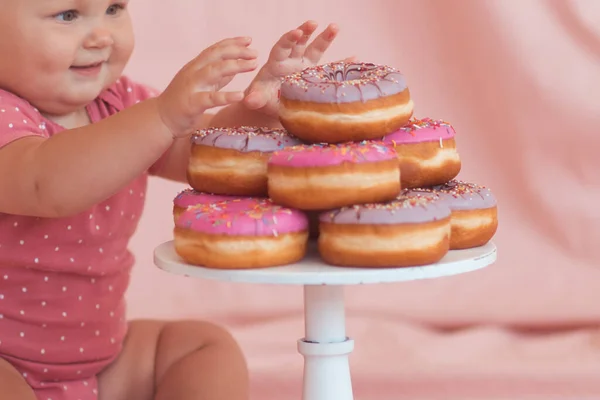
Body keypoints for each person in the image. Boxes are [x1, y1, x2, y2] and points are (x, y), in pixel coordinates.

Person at [0, 1, 342, 399]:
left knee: (204, 348)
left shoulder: (120, 103)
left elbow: (204, 155)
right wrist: (161, 117)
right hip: (7, 361)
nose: (101, 37)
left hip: (102, 359)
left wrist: (261, 113)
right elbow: (47, 183)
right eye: (68, 15)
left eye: (113, 8)